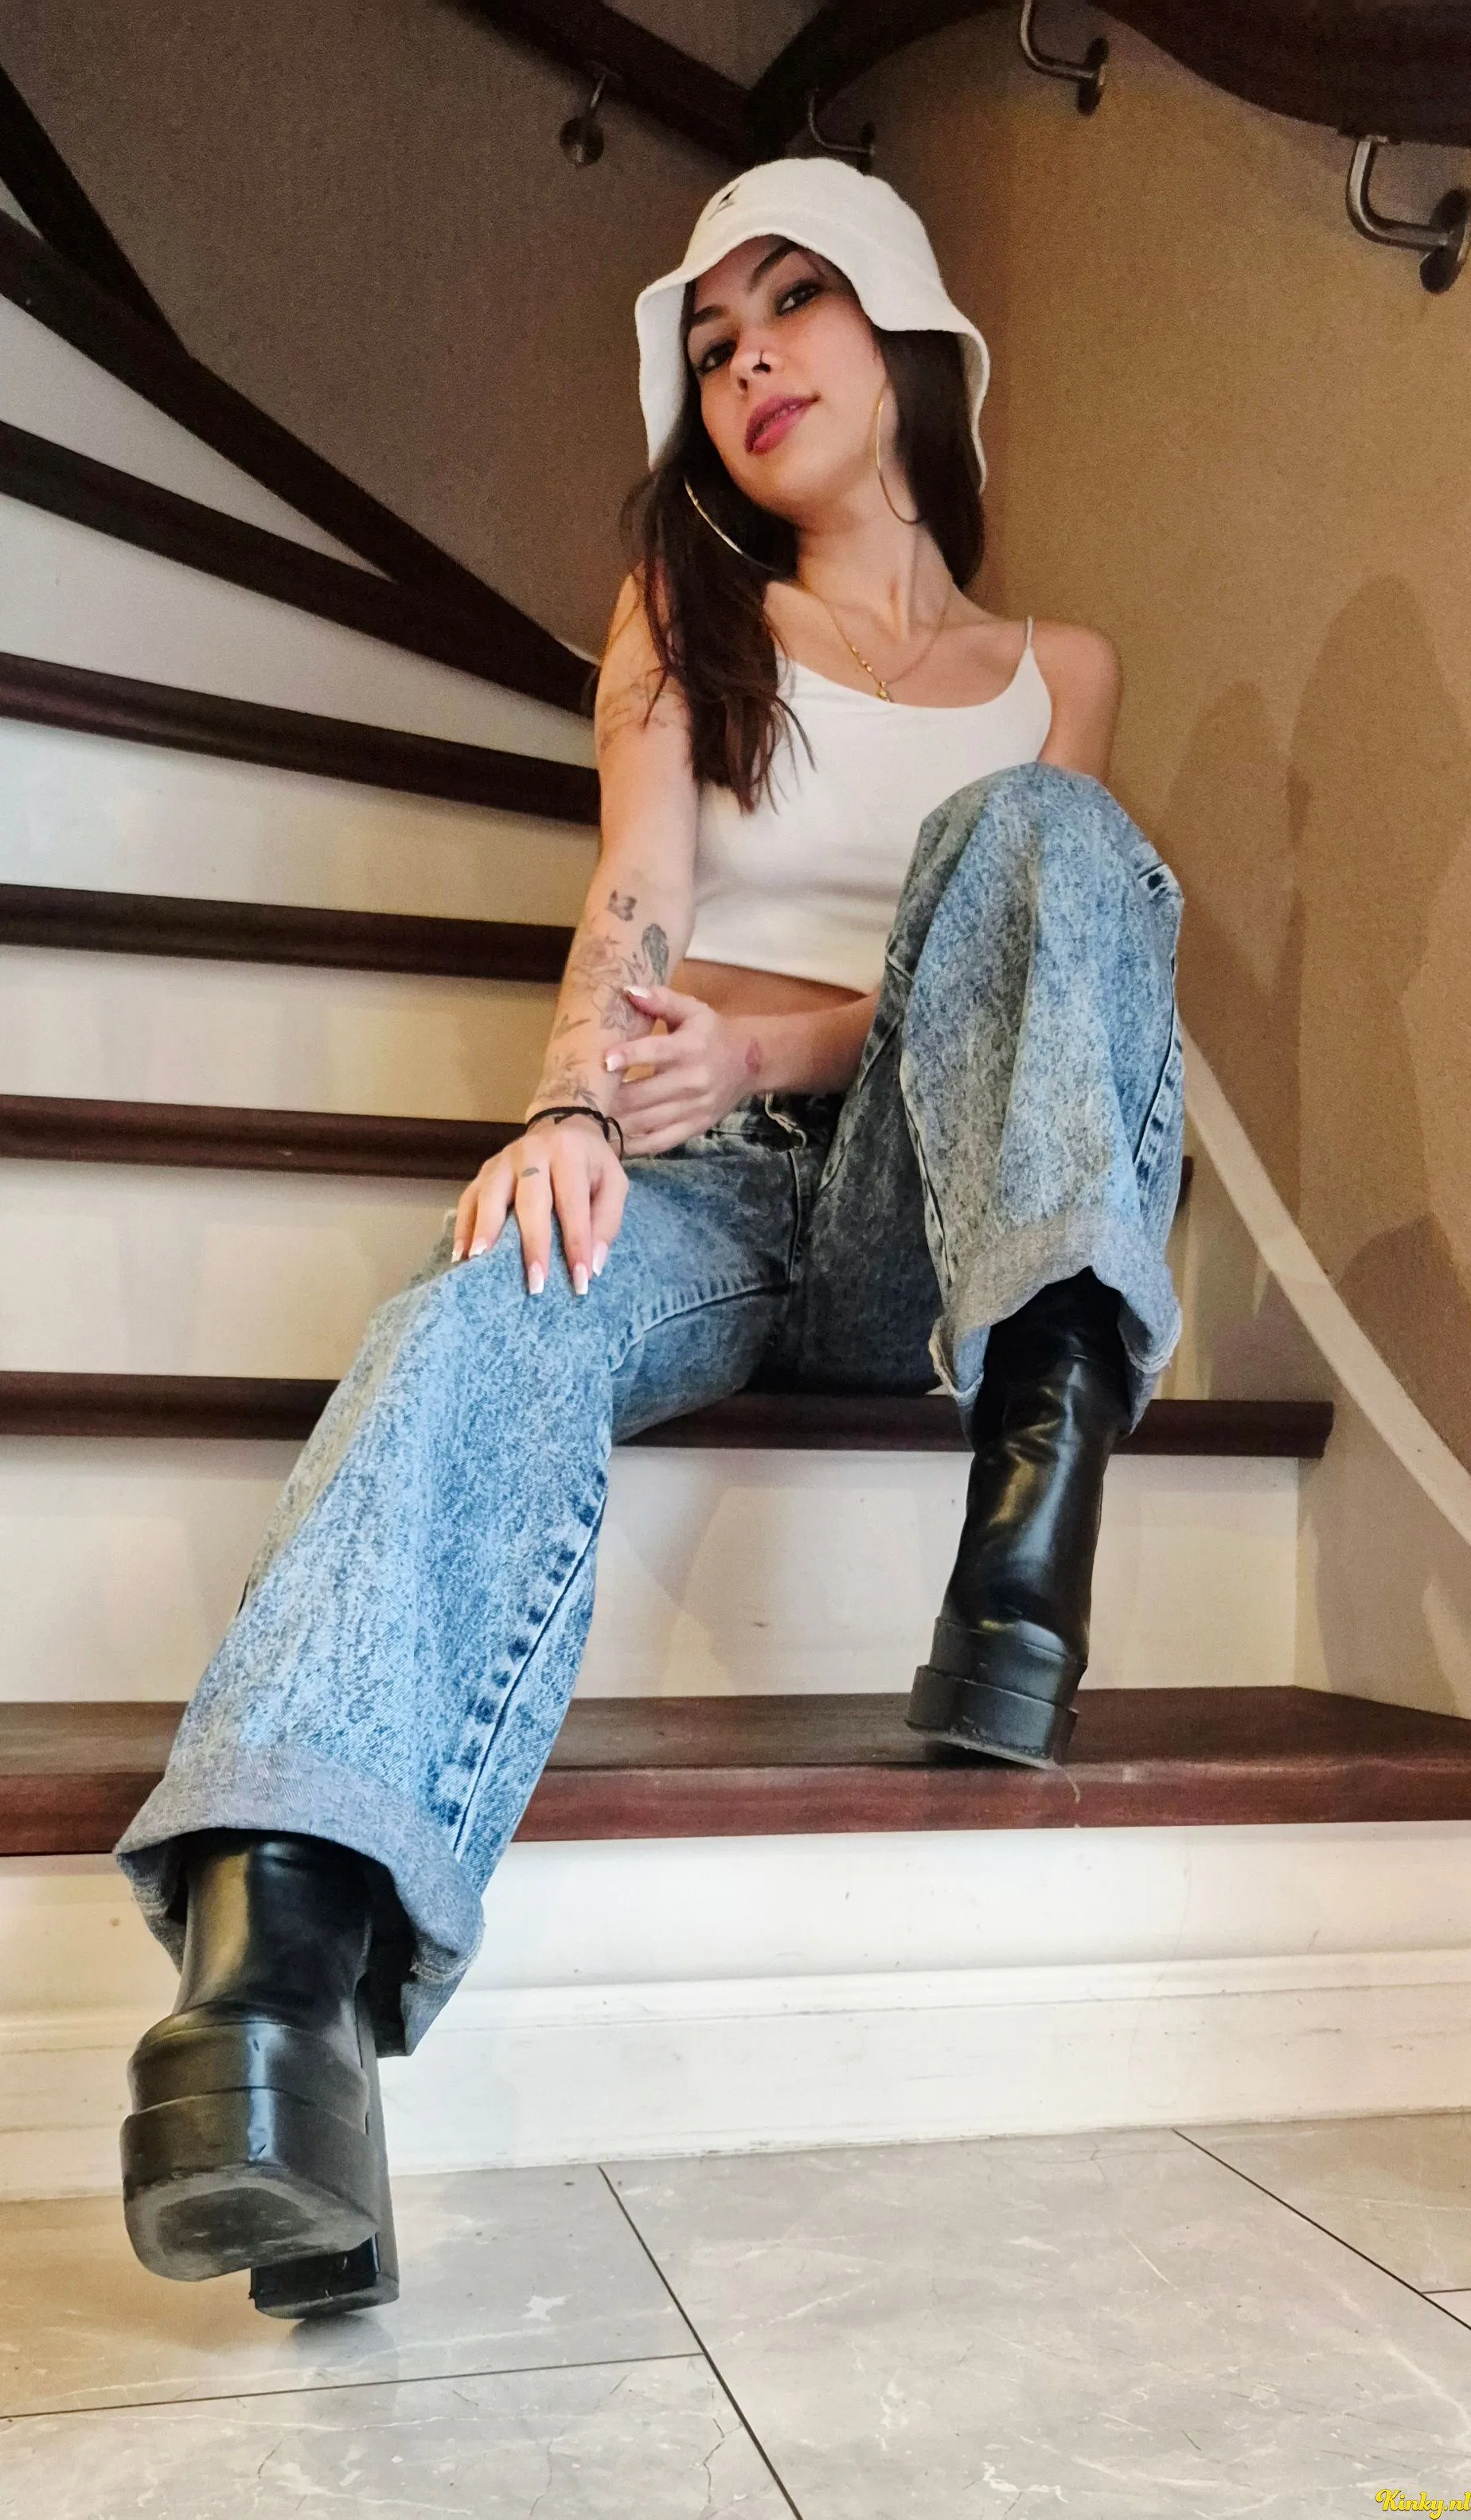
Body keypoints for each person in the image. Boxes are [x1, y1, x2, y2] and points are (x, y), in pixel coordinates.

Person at [111, 157, 1184, 2315]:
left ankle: (1031, 1528)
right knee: (481, 1306)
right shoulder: (689, 623)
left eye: (792, 304)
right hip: (702, 1176)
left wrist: (781, 1039)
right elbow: (639, 900)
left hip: (933, 1201)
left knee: (1051, 838)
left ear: (905, 326)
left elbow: (1029, 983)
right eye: (710, 345)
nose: (749, 360)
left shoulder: (1055, 668)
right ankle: (278, 1982)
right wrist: (571, 1111)